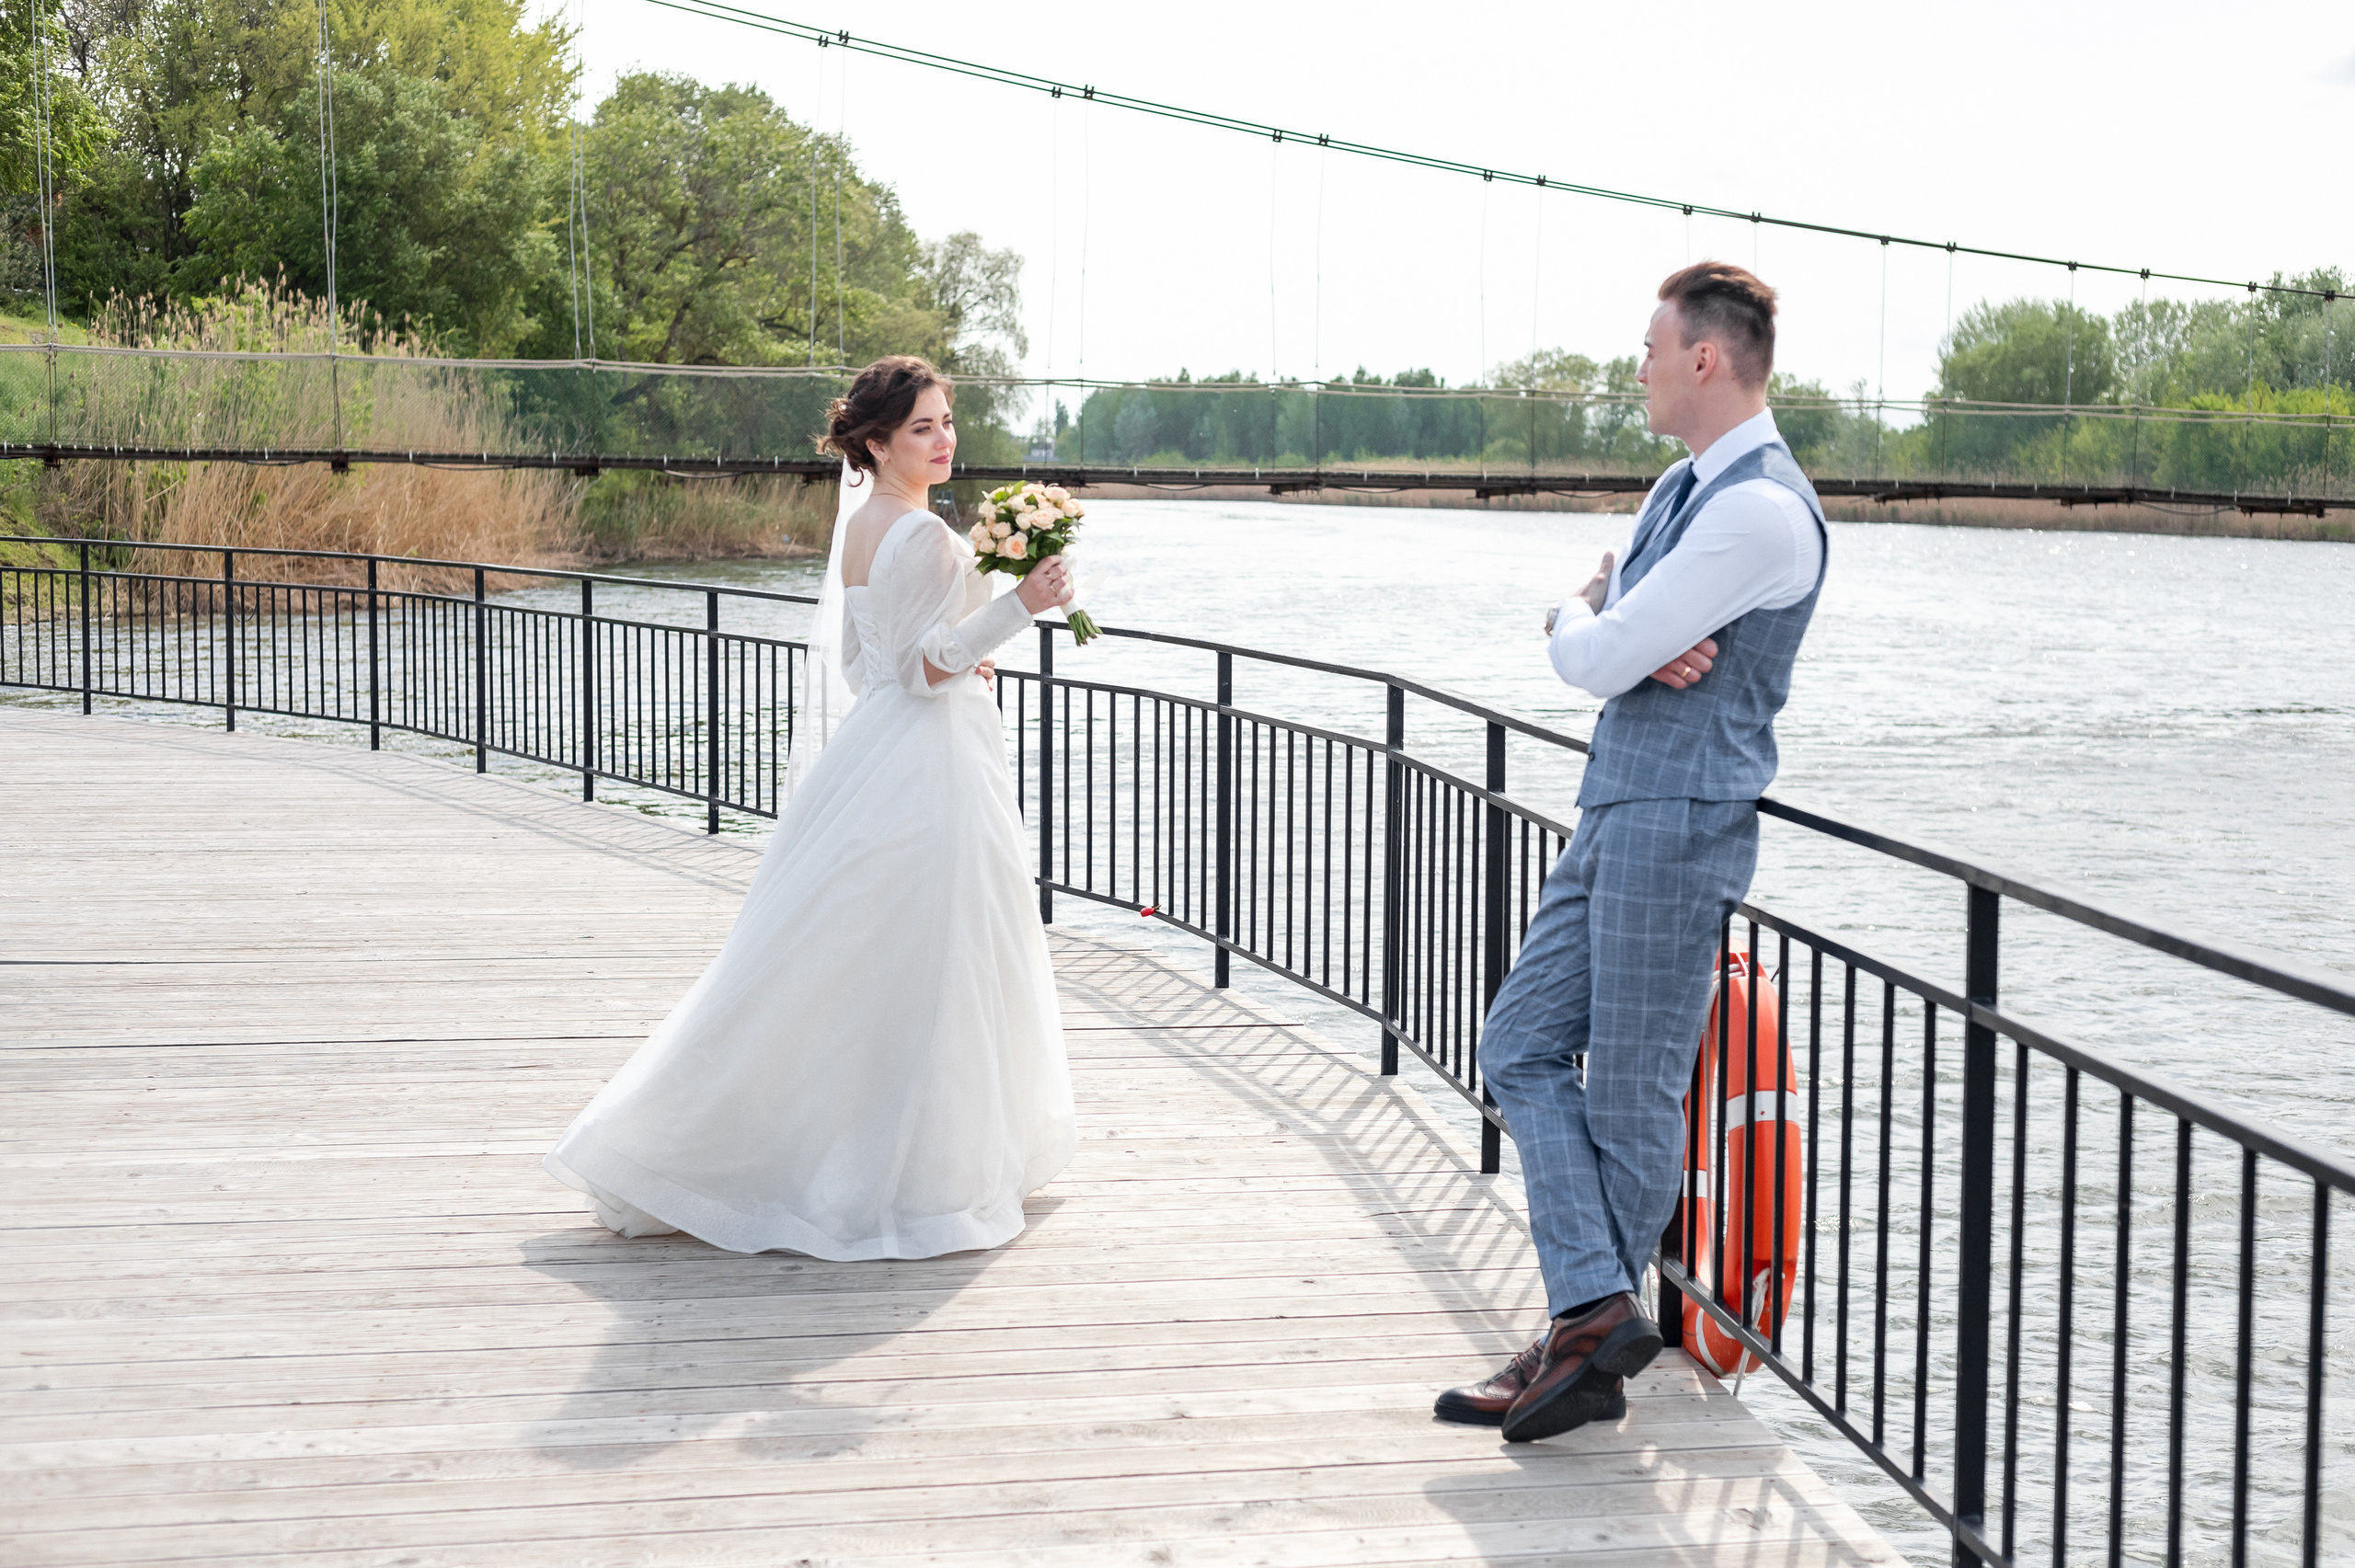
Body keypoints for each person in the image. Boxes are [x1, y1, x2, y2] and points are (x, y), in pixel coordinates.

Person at [545, 356, 1080, 1260]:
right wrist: (1021, 605)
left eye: (946, 421)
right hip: (928, 767)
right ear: (876, 442)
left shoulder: (867, 527)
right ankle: (918, 1171)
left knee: (852, 953)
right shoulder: (921, 536)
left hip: (876, 751)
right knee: (934, 958)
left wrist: (964, 651)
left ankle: (815, 1143)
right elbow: (918, 669)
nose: (944, 439)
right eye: (921, 427)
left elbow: (864, 666)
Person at [1433, 263, 1829, 1441]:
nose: (1639, 367)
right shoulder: (1682, 486)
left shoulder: (1759, 509)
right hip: (1617, 804)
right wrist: (1592, 622)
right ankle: (1594, 1314)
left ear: (1706, 357)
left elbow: (1595, 652)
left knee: (1636, 1091)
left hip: (1683, 820)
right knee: (1515, 1040)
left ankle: (1580, 1345)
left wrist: (1596, 628)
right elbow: (1598, 635)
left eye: (1651, 347)